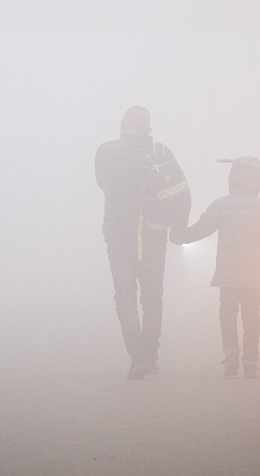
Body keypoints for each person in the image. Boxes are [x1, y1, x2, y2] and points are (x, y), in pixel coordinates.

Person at [95, 106, 188, 379]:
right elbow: (180, 193)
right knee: (152, 297)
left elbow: (102, 183)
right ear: (148, 130)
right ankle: (151, 355)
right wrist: (178, 230)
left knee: (125, 296)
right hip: (152, 236)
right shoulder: (161, 153)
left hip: (119, 236)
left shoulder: (105, 151)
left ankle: (136, 356)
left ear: (122, 124)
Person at [170, 157, 260, 378]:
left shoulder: (221, 205)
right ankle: (251, 362)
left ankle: (231, 355)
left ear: (233, 178)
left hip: (228, 275)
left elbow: (202, 228)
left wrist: (180, 236)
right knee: (251, 317)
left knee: (227, 315)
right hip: (254, 275)